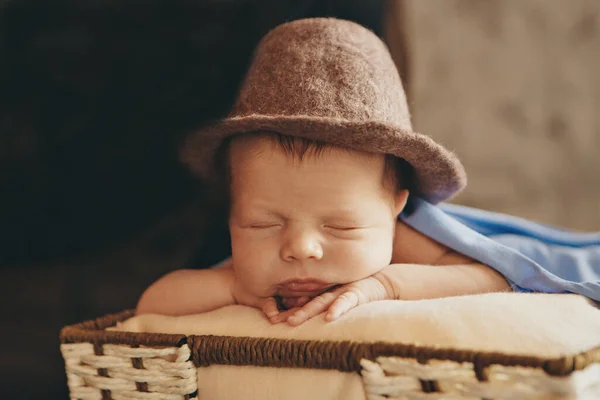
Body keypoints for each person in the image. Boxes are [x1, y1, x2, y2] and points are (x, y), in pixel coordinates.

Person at [136, 18, 600, 325]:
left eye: (342, 226)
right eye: (262, 224)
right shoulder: (254, 266)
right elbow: (153, 302)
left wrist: (386, 283)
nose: (299, 248)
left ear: (395, 208)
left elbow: (492, 276)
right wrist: (232, 285)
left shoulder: (406, 239)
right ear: (233, 213)